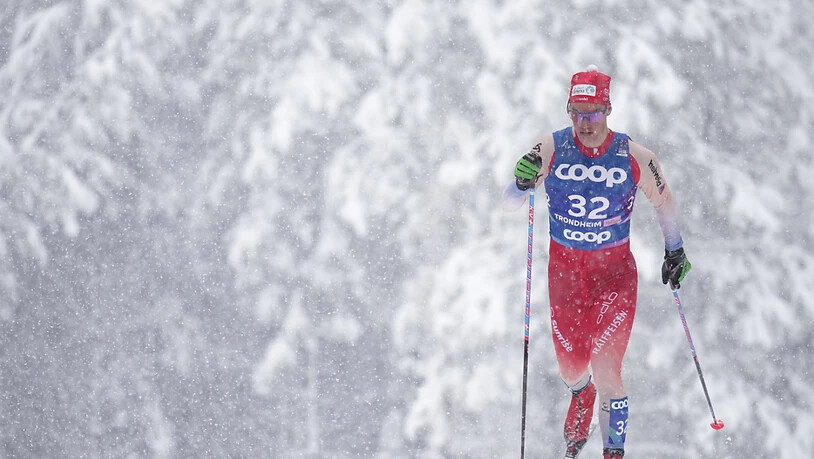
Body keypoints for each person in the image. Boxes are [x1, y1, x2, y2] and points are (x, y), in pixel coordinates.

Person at [503, 65, 692, 459]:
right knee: (572, 369)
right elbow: (508, 201)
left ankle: (612, 451)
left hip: (615, 277)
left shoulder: (634, 155)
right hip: (565, 278)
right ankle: (580, 392)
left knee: (609, 371)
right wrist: (519, 183)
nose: (584, 122)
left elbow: (664, 201)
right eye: (576, 112)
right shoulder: (552, 147)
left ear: (608, 109)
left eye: (592, 112)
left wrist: (674, 250)